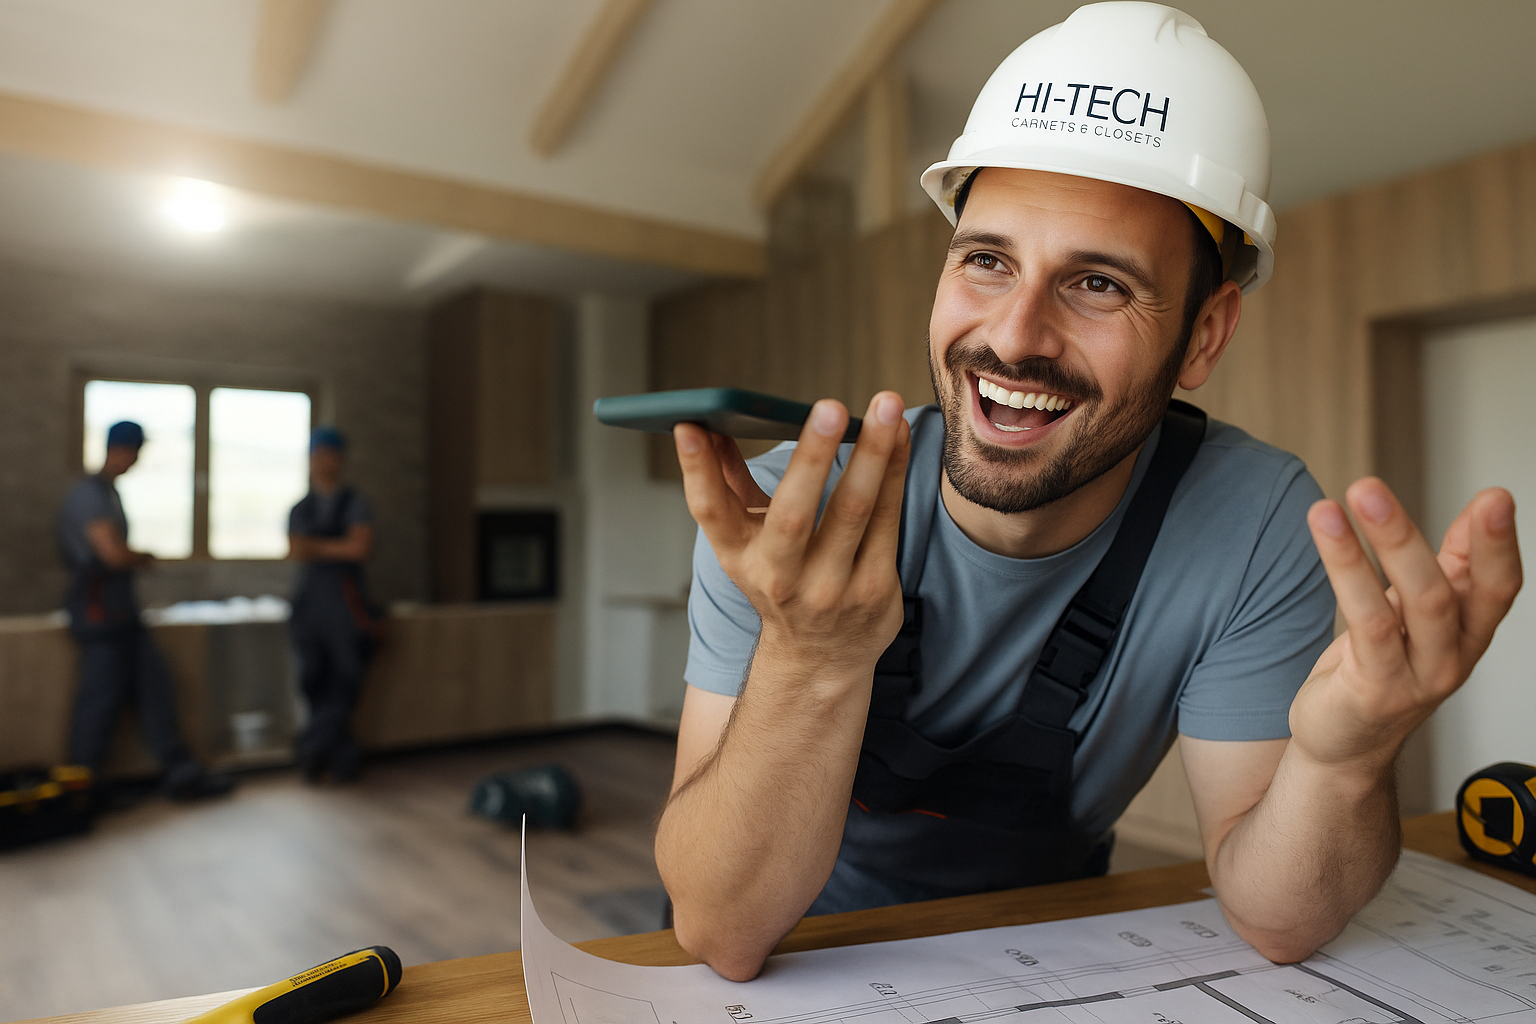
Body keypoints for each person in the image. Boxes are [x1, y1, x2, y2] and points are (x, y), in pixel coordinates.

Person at [654, 2, 1524, 982]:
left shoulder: (1255, 524)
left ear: (1204, 334)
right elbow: (722, 929)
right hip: (799, 960)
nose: (1016, 335)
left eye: (1098, 283)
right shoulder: (783, 517)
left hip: (1054, 961)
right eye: (986, 260)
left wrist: (1345, 761)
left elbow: (1282, 922)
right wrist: (811, 656)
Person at [57, 420, 234, 802]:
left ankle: (183, 774)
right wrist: (142, 557)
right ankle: (81, 792)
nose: (136, 460)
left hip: (124, 615)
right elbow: (112, 554)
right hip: (100, 615)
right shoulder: (88, 495)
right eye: (134, 452)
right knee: (99, 703)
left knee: (158, 687)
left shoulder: (109, 493)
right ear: (121, 449)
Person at [287, 426, 376, 784]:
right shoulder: (300, 507)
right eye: (317, 455)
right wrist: (336, 546)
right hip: (309, 602)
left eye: (329, 454)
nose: (323, 462)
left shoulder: (355, 502)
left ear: (340, 459)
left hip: (345, 600)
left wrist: (317, 547)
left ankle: (312, 748)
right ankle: (337, 754)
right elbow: (296, 550)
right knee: (313, 677)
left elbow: (360, 549)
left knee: (347, 674)